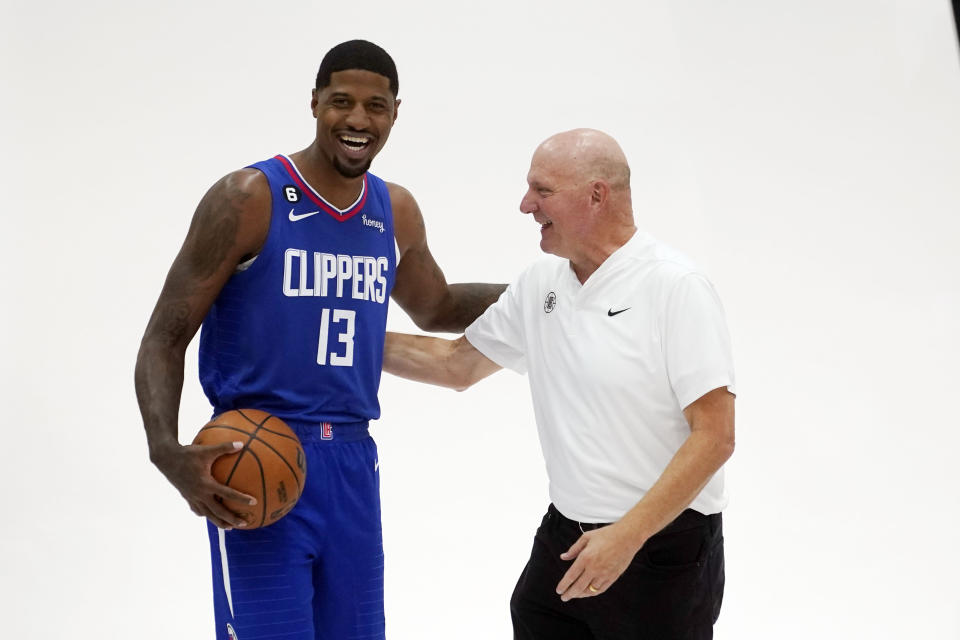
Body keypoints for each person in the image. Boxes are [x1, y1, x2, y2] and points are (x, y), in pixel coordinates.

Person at [134, 40, 505, 640]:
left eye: (375, 107)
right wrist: (164, 448)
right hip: (255, 452)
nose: (358, 120)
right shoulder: (248, 197)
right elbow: (164, 336)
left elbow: (436, 307)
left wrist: (545, 292)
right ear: (314, 104)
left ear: (394, 113)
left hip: (353, 462)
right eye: (342, 102)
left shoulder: (395, 210)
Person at [383, 128, 736, 639]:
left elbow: (715, 436)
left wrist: (626, 538)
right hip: (565, 537)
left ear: (597, 194)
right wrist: (340, 337)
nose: (526, 204)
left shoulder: (675, 288)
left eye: (541, 190)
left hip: (660, 547)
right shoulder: (540, 283)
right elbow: (456, 365)